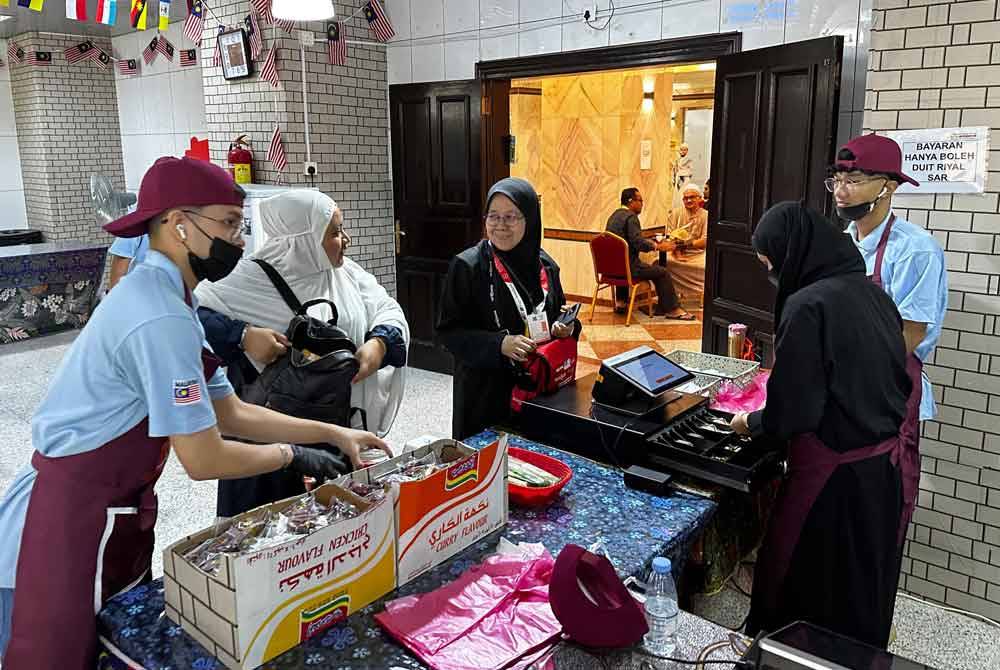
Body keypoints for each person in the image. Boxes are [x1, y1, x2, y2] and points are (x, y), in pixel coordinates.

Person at [0, 157, 390, 667]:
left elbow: (232, 414)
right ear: (178, 223)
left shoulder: (172, 300)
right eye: (228, 224)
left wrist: (335, 435)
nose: (239, 239)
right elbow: (203, 459)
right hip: (64, 522)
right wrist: (292, 456)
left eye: (240, 224)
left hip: (114, 511)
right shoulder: (157, 313)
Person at [730, 202, 914, 649]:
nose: (770, 271)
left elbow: (793, 413)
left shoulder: (808, 305)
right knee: (861, 579)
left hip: (833, 480)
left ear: (790, 253)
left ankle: (788, 654)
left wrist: (748, 422)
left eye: (769, 261)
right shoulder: (872, 293)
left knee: (806, 580)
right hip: (880, 474)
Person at [195, 190, 409, 517]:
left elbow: (386, 308)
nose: (346, 239)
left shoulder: (344, 273)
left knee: (337, 524)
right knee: (278, 529)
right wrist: (243, 335)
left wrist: (379, 343)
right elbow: (191, 315)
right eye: (335, 232)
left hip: (337, 423)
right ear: (302, 239)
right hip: (273, 434)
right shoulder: (247, 279)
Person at [437, 177, 579, 439]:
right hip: (486, 395)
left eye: (511, 217)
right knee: (488, 468)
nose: (500, 226)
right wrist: (499, 344)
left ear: (530, 220)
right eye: (493, 217)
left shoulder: (545, 265)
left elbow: (557, 310)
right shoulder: (468, 267)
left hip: (538, 388)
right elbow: (449, 334)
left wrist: (565, 327)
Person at [830, 133, 947, 430]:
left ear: (889, 187)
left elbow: (912, 332)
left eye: (853, 181)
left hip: (886, 387)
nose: (840, 192)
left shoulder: (916, 249)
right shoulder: (840, 244)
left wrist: (855, 379)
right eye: (837, 180)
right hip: (840, 385)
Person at [605, 187, 694, 320]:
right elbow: (638, 243)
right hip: (629, 269)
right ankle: (672, 310)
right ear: (631, 201)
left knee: (623, 260)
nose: (642, 204)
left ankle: (621, 303)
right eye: (640, 200)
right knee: (662, 272)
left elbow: (624, 243)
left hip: (611, 269)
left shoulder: (613, 216)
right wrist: (656, 246)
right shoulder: (631, 217)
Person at [664, 182, 708, 300]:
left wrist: (685, 245)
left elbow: (705, 241)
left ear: (699, 199)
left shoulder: (706, 216)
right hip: (676, 252)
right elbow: (669, 236)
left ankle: (702, 295)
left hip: (698, 254)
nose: (688, 201)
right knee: (659, 262)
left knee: (706, 267)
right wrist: (677, 250)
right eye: (685, 198)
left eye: (692, 197)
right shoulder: (675, 213)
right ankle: (669, 297)